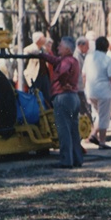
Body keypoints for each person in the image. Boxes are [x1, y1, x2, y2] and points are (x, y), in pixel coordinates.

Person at [37, 36, 82, 169]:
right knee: (74, 130)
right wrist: (43, 55)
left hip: (63, 97)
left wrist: (62, 82)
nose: (58, 48)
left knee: (64, 130)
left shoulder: (66, 62)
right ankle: (77, 159)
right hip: (73, 97)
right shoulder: (72, 60)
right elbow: (56, 60)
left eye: (60, 46)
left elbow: (63, 71)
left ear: (67, 49)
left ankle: (66, 160)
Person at [83, 36, 111, 150]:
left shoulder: (88, 57)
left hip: (91, 90)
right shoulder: (107, 60)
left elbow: (84, 75)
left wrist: (85, 88)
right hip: (104, 91)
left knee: (97, 115)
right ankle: (100, 140)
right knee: (103, 117)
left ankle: (95, 135)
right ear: (106, 47)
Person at [23, 31, 52, 106]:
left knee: (47, 95)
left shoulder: (43, 49)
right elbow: (26, 52)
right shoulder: (30, 48)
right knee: (34, 95)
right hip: (35, 76)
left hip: (44, 75)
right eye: (43, 37)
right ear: (38, 39)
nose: (45, 39)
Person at [73, 36, 91, 116]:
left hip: (79, 86)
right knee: (83, 109)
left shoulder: (80, 55)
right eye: (87, 46)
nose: (88, 48)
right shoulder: (76, 56)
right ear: (81, 45)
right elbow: (78, 72)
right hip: (78, 86)